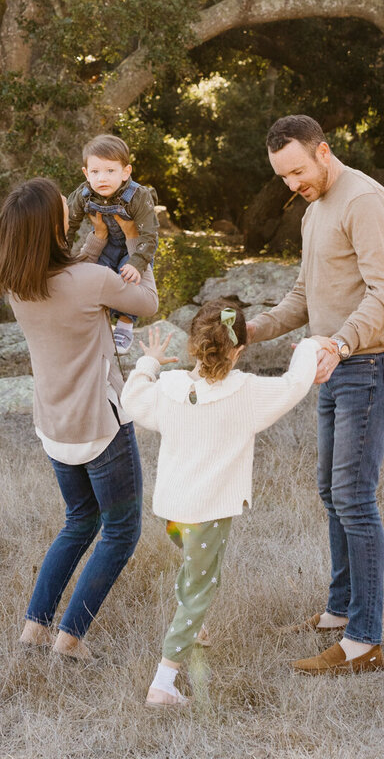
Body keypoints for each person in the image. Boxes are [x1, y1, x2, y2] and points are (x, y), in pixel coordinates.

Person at [247, 115, 384, 675]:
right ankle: (340, 613)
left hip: (370, 363)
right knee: (331, 490)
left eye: (298, 170)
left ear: (323, 151)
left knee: (354, 497)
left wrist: (340, 344)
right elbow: (304, 294)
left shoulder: (363, 201)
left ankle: (364, 642)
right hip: (333, 363)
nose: (293, 184)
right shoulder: (315, 209)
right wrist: (250, 331)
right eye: (283, 177)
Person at [120, 297, 330, 708]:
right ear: (238, 350)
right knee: (201, 589)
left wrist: (149, 363)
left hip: (173, 512)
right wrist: (309, 347)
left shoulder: (170, 388)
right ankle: (163, 683)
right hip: (207, 514)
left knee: (192, 569)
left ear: (194, 346)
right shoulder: (246, 393)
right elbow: (294, 386)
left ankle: (194, 631)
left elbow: (132, 400)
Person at [0, 176, 159, 660]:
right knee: (121, 531)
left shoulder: (17, 285)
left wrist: (101, 239)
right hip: (101, 428)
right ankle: (70, 638)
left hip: (53, 426)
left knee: (79, 520)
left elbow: (72, 264)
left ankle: (35, 630)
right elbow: (148, 302)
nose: (74, 209)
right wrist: (137, 246)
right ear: (52, 228)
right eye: (66, 209)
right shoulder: (92, 282)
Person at [65, 133, 160, 354]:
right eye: (95, 172)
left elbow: (149, 235)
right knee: (95, 277)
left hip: (135, 248)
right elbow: (68, 225)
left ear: (126, 172)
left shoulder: (138, 196)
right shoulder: (83, 195)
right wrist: (63, 254)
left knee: (130, 279)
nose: (102, 178)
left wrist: (137, 263)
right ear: (86, 174)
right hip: (106, 245)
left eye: (110, 171)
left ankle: (125, 324)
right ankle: (100, 322)